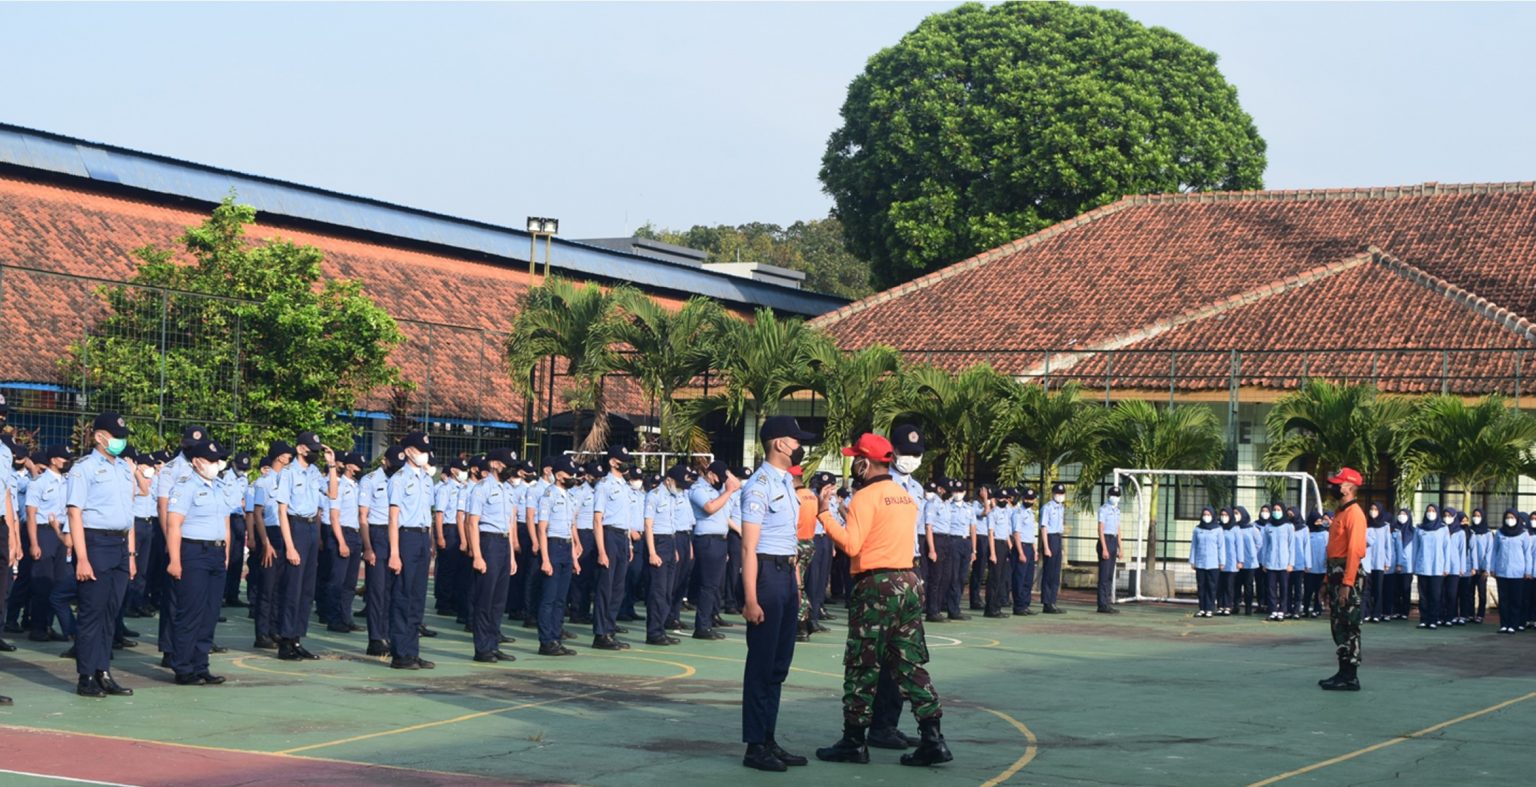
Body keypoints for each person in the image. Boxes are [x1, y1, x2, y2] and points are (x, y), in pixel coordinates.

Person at [813, 432, 951, 768]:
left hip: (876, 586)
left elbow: (853, 545)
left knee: (862, 664)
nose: (853, 463)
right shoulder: (903, 496)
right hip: (908, 581)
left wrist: (825, 515)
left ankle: (853, 740)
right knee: (908, 663)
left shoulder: (865, 496)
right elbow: (881, 532)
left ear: (866, 461)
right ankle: (933, 737)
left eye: (856, 458)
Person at [739, 415, 815, 772]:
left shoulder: (785, 483)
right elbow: (748, 548)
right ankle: (755, 746)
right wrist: (751, 598)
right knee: (761, 664)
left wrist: (796, 585)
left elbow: (791, 543)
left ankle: (769, 738)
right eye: (796, 441)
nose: (800, 447)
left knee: (778, 666)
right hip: (766, 575)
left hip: (785, 574)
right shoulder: (759, 486)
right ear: (781, 444)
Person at [66, 411, 136, 698]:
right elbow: (74, 512)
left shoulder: (123, 468)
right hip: (95, 543)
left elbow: (129, 514)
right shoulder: (84, 468)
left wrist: (131, 554)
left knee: (111, 612)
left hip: (120, 546)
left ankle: (103, 671)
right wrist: (81, 557)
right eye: (115, 436)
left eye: (122, 437)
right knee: (92, 613)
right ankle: (86, 676)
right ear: (99, 437)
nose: (119, 441)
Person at [164, 439, 233, 686]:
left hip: (215, 553)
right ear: (197, 462)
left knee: (210, 613)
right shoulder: (185, 486)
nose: (217, 465)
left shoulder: (219, 486)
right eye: (212, 461)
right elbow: (174, 525)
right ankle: (183, 667)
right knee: (190, 612)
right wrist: (174, 559)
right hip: (193, 552)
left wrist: (225, 553)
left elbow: (225, 523)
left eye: (218, 461)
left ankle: (200, 665)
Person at [272, 432, 333, 661]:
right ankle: (285, 640)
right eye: (311, 448)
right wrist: (289, 546)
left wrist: (332, 465)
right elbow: (281, 511)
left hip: (310, 527)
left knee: (307, 590)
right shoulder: (288, 474)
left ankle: (297, 638)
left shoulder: (316, 472)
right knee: (292, 589)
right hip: (294, 527)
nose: (314, 452)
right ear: (300, 449)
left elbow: (332, 493)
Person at [464, 447, 518, 662]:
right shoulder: (481, 489)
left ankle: (493, 643)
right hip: (488, 542)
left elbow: (510, 523)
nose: (509, 470)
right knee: (485, 599)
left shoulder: (508, 489)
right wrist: (477, 555)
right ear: (495, 464)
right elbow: (472, 522)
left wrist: (512, 556)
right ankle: (482, 648)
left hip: (504, 543)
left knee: (498, 600)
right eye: (507, 465)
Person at [387, 431, 435, 670]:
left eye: (425, 451)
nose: (423, 455)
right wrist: (394, 553)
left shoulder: (427, 479)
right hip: (405, 537)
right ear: (407, 452)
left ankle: (412, 650)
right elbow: (393, 519)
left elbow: (428, 514)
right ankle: (400, 653)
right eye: (419, 450)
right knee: (403, 596)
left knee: (417, 598)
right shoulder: (398, 479)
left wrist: (431, 542)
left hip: (422, 537)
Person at [1318, 468, 1369, 692]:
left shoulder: (1355, 514)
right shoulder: (1340, 512)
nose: (1334, 487)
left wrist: (1347, 584)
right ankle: (1342, 671)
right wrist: (1328, 580)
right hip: (1336, 572)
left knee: (1349, 625)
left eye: (1338, 484)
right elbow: (1333, 551)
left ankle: (1351, 676)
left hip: (1348, 574)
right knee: (1338, 625)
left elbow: (1355, 551)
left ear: (1349, 487)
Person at [25, 445, 74, 643]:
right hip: (44, 531)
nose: (67, 462)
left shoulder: (69, 482)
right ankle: (38, 627)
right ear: (54, 460)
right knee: (42, 582)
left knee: (59, 583)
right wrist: (34, 543)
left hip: (63, 531)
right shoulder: (39, 483)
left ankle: (49, 625)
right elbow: (30, 514)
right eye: (64, 459)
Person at [359, 444, 402, 657]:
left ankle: (388, 634)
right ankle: (375, 638)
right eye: (393, 463)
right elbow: (363, 517)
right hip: (376, 533)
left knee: (391, 590)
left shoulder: (401, 479)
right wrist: (367, 547)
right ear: (385, 461)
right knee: (377, 590)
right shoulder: (370, 481)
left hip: (395, 533)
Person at [591, 445, 635, 651]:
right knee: (605, 588)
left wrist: (629, 543)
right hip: (608, 535)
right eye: (622, 460)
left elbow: (626, 520)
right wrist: (601, 550)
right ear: (612, 462)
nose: (625, 463)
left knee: (618, 588)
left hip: (622, 537)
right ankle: (600, 633)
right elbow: (598, 519)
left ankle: (610, 628)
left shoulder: (625, 486)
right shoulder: (604, 485)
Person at [537, 454, 581, 656]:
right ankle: (546, 641)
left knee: (561, 599)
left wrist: (574, 558)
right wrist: (545, 559)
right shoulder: (549, 495)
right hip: (553, 546)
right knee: (548, 597)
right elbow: (542, 528)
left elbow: (570, 527)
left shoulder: (570, 496)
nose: (572, 477)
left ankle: (556, 637)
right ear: (557, 474)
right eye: (568, 473)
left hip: (565, 546)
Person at [689, 460, 738, 640]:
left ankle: (708, 622)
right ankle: (702, 626)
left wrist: (726, 473)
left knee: (714, 585)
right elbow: (710, 508)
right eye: (719, 477)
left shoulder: (717, 490)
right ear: (710, 474)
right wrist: (729, 490)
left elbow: (736, 484)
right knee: (708, 585)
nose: (722, 481)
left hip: (719, 540)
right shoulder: (698, 489)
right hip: (707, 539)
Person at [323, 452, 365, 634]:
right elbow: (334, 517)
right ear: (349, 467)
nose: (360, 470)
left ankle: (346, 618)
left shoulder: (357, 486)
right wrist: (341, 542)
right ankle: (333, 618)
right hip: (342, 533)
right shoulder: (338, 485)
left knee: (350, 583)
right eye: (358, 466)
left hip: (355, 534)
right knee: (337, 581)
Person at [1412, 504, 1449, 629]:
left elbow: (1446, 549)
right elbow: (1415, 548)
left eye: (1433, 511)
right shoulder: (1419, 529)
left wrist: (1446, 567)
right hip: (1422, 567)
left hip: (1437, 568)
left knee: (1435, 595)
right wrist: (1414, 566)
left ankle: (1433, 620)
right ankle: (1424, 619)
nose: (1430, 513)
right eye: (1429, 510)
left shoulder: (1443, 529)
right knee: (1423, 595)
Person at [1491, 510, 1528, 634]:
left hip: (1518, 572)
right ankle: (1504, 624)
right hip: (1502, 571)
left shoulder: (1523, 534)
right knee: (1503, 600)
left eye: (1512, 517)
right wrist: (1492, 568)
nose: (1509, 519)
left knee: (1515, 600)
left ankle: (1513, 624)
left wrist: (1527, 570)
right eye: (1507, 517)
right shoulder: (1499, 533)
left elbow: (1527, 554)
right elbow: (1494, 551)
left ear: (1517, 519)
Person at [983, 489, 1014, 618]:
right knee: (994, 579)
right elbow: (991, 533)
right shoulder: (993, 513)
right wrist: (993, 553)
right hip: (996, 544)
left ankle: (997, 606)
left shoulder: (1006, 512)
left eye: (1005, 498)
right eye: (1001, 498)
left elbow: (1006, 531)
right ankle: (990, 608)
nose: (1004, 501)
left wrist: (1010, 545)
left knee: (1001, 578)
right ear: (995, 499)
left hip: (1004, 545)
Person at [1260, 503, 1292, 622]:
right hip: (1270, 563)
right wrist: (1264, 562)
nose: (1276, 512)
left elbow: (1291, 546)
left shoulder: (1288, 526)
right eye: (1274, 509)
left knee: (1284, 588)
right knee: (1271, 588)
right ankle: (1273, 610)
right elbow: (1265, 546)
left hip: (1284, 563)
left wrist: (1290, 563)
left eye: (1278, 510)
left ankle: (1282, 611)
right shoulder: (1268, 526)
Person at [1189, 506, 1224, 618]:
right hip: (1200, 563)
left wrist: (1221, 562)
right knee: (1201, 586)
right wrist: (1192, 561)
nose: (1206, 516)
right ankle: (1202, 608)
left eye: (1208, 514)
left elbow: (1221, 547)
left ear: (1213, 515)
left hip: (1213, 563)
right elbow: (1194, 546)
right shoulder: (1197, 529)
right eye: (1204, 514)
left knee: (1212, 587)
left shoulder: (1218, 529)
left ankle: (1209, 608)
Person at [1039, 482, 1067, 614]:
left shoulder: (1061, 507)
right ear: (1053, 494)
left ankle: (1053, 601)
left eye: (1061, 493)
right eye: (1057, 493)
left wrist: (1060, 546)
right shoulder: (1047, 507)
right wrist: (1046, 547)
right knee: (1048, 573)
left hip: (1057, 538)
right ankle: (1046, 602)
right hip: (1049, 539)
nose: (1060, 496)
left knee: (1056, 574)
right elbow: (1044, 527)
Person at [1095, 486, 1123, 614]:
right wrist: (1104, 548)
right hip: (1105, 540)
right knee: (1104, 575)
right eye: (1113, 495)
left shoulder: (1117, 510)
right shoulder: (1104, 509)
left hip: (1113, 540)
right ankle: (1102, 604)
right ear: (1108, 495)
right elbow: (1100, 529)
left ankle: (1107, 602)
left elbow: (1118, 529)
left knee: (1110, 575)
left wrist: (1120, 548)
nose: (1115, 497)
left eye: (1117, 495)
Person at [1012, 489, 1039, 616]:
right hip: (1021, 546)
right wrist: (1021, 552)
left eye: (1031, 499)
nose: (1029, 501)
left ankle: (1025, 604)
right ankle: (1018, 606)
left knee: (1028, 579)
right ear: (1023, 498)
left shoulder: (1031, 513)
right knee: (1020, 578)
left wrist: (1035, 549)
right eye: (1027, 498)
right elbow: (1017, 533)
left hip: (1029, 547)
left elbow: (1031, 533)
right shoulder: (1018, 513)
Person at [1362, 503, 1390, 623]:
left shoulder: (1385, 527)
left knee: (1378, 589)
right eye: (1371, 509)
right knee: (1366, 588)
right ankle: (1366, 612)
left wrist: (1387, 562)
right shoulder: (1365, 525)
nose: (1373, 511)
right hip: (1366, 562)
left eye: (1375, 509)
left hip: (1379, 562)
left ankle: (1377, 613)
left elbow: (1387, 545)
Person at [1388, 507, 1415, 621]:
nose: (1402, 516)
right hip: (1395, 565)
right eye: (1400, 513)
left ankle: (1404, 611)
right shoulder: (1393, 529)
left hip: (1408, 566)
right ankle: (1396, 610)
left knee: (1405, 589)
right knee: (1395, 588)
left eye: (1404, 514)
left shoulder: (1413, 532)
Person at [1468, 509, 1493, 624]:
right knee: (1470, 592)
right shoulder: (1470, 531)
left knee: (1482, 593)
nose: (1476, 517)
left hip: (1482, 568)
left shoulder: (1488, 533)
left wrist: (1487, 569)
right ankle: (1470, 614)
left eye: (1478, 515)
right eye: (1474, 515)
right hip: (1471, 567)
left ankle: (1480, 615)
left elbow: (1489, 551)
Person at [1302, 512, 1329, 618]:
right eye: (1316, 520)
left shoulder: (1325, 534)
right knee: (1308, 590)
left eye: (1320, 520)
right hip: (1309, 567)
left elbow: (1328, 549)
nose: (1319, 523)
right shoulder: (1308, 533)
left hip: (1321, 567)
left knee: (1319, 590)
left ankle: (1317, 609)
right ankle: (1305, 609)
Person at [1216, 508, 1241, 616]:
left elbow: (1239, 546)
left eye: (1226, 515)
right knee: (1219, 585)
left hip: (1231, 562)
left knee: (1229, 585)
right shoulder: (1217, 527)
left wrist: (1240, 561)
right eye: (1222, 514)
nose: (1223, 517)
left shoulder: (1235, 529)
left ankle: (1228, 606)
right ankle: (1220, 605)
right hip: (1218, 562)